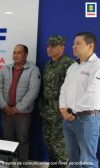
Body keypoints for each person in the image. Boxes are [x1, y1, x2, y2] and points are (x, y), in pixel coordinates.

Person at [59, 32, 100, 168]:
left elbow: (93, 93)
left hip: (86, 119)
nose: (73, 46)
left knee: (87, 161)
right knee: (73, 159)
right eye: (73, 43)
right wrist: (63, 109)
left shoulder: (97, 65)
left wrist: (71, 110)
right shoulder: (73, 66)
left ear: (90, 46)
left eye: (78, 43)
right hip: (68, 119)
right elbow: (63, 90)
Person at [0, 44, 40, 163]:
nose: (15, 55)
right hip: (6, 112)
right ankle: (7, 163)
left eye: (19, 52)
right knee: (7, 139)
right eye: (14, 52)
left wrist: (16, 108)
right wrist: (4, 106)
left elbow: (33, 92)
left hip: (22, 114)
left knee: (23, 140)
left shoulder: (33, 69)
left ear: (26, 54)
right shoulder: (5, 68)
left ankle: (22, 165)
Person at [40, 35, 73, 165]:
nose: (50, 48)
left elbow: (73, 89)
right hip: (47, 112)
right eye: (48, 46)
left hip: (61, 113)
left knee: (61, 146)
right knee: (50, 143)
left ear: (62, 47)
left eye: (53, 46)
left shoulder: (68, 64)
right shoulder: (48, 64)